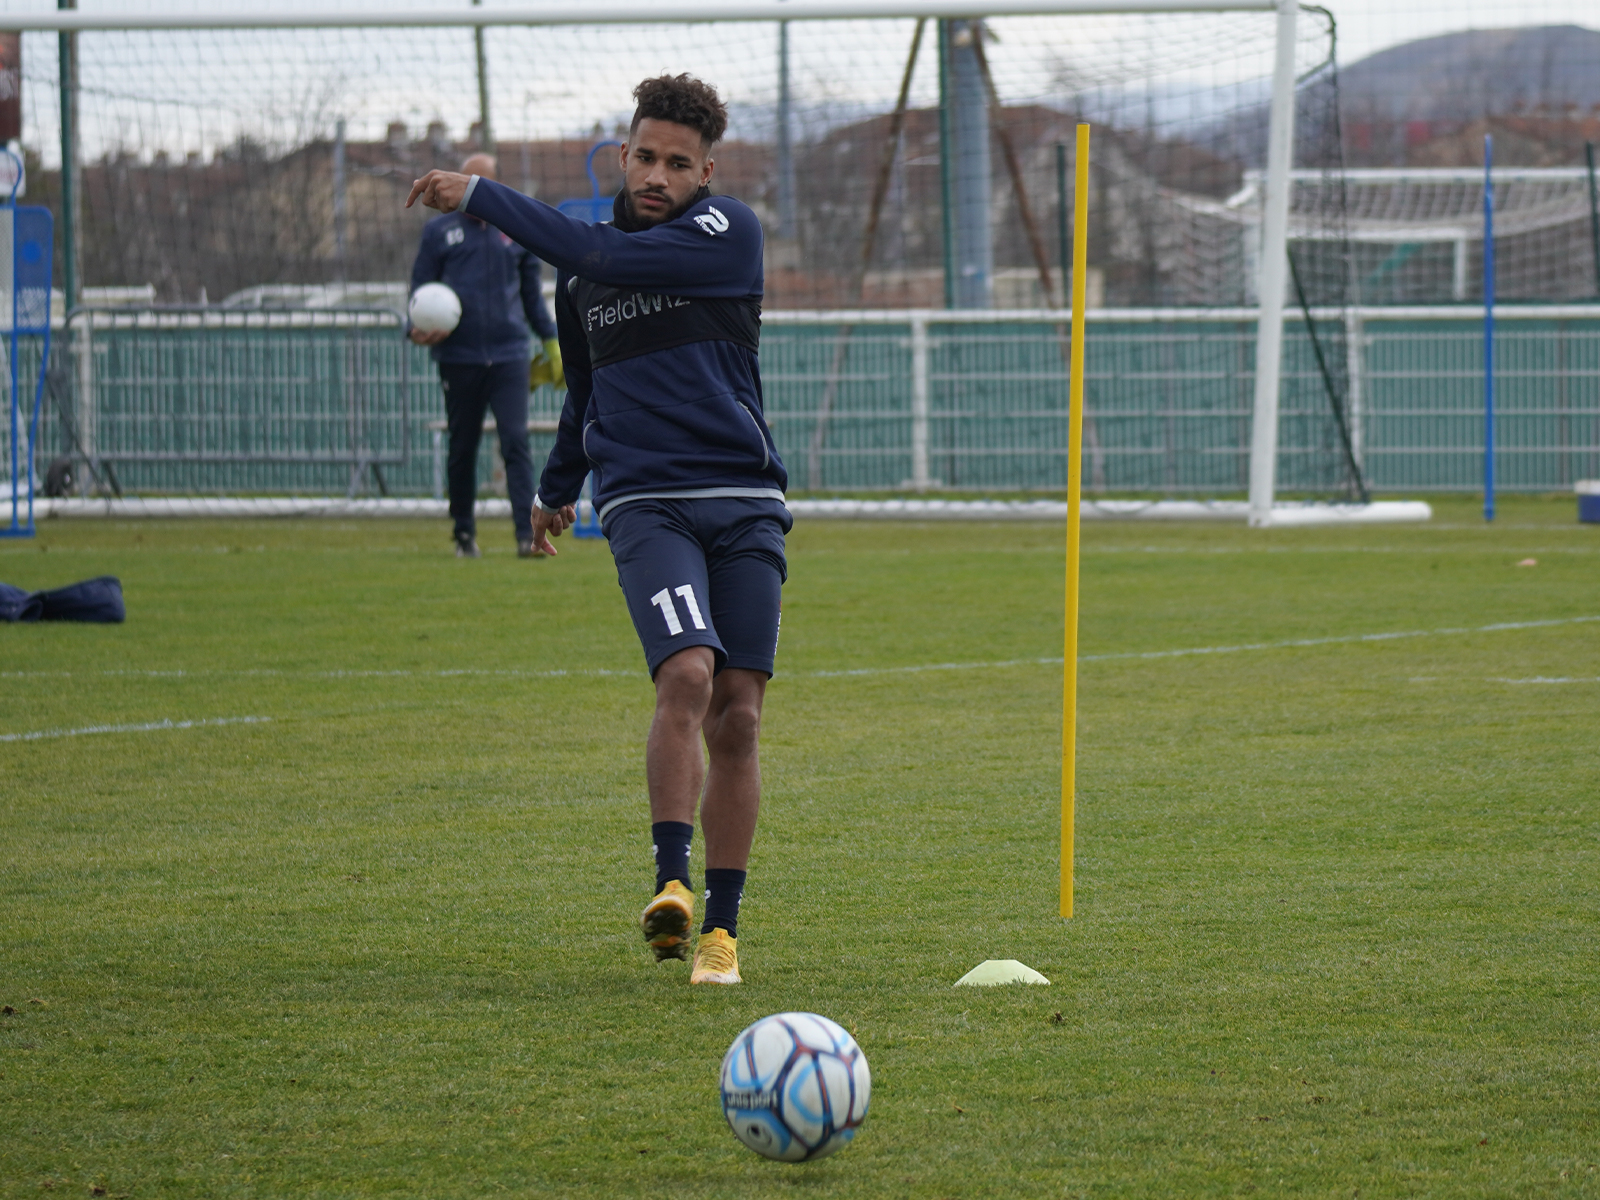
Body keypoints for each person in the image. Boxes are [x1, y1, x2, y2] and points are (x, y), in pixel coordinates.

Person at [408, 74, 786, 985]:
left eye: (679, 164)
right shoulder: (581, 273)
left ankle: (723, 936)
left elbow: (610, 256)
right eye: (645, 156)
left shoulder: (727, 233)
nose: (658, 175)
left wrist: (485, 194)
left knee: (738, 714)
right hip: (646, 502)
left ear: (707, 172)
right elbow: (584, 387)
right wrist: (555, 487)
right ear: (624, 154)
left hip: (744, 499)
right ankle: (671, 883)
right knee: (687, 671)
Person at [409, 153, 562, 558]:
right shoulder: (439, 233)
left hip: (510, 356)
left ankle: (523, 537)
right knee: (463, 444)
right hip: (458, 358)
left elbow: (532, 297)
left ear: (495, 188)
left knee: (515, 442)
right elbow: (419, 294)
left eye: (485, 185)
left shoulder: (516, 232)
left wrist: (552, 342)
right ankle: (463, 534)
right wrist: (415, 330)